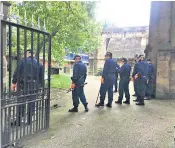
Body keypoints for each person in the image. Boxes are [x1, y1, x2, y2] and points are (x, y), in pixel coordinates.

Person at [12, 49, 43, 126]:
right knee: (31, 101)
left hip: (24, 84)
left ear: (28, 53)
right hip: (34, 85)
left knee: (21, 102)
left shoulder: (23, 61)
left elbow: (17, 72)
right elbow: (41, 77)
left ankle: (19, 120)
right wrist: (40, 86)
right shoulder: (39, 63)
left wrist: (14, 82)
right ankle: (29, 120)